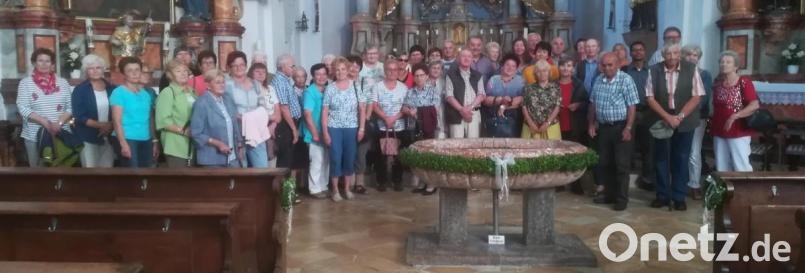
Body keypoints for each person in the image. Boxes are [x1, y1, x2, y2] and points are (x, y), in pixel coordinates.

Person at [645, 43, 704, 211]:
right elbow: (650, 97)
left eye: (675, 53)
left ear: (680, 54)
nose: (671, 57)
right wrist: (667, 117)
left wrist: (679, 117)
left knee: (682, 158)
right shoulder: (654, 69)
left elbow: (697, 96)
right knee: (661, 158)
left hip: (685, 119)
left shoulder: (691, 69)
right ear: (664, 55)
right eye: (668, 54)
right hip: (662, 117)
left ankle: (679, 196)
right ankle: (662, 195)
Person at [588, 53, 639, 211]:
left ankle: (621, 199)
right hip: (603, 127)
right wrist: (591, 123)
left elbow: (632, 106)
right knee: (605, 163)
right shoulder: (598, 80)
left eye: (610, 65)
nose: (607, 68)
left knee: (621, 165)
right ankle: (609, 195)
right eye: (604, 65)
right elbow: (593, 103)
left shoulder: (626, 80)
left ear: (617, 65)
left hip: (621, 126)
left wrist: (628, 128)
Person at [17, 48, 74, 167]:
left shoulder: (63, 82)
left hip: (61, 132)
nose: (44, 64)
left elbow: (70, 107)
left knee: (62, 167)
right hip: (34, 134)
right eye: (40, 61)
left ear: (52, 64)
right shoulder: (25, 83)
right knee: (38, 170)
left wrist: (58, 123)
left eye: (47, 61)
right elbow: (22, 107)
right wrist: (45, 122)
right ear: (34, 63)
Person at [322, 57, 366, 201]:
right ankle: (335, 190)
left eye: (343, 69)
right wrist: (325, 132)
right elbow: (324, 112)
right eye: (337, 69)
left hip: (351, 127)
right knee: (335, 157)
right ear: (334, 71)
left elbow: (362, 108)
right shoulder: (330, 88)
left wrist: (362, 129)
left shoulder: (355, 86)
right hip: (334, 128)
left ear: (347, 70)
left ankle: (346, 188)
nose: (340, 72)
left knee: (349, 157)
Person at [711, 51, 759, 172]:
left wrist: (734, 116)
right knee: (721, 165)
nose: (724, 64)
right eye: (722, 62)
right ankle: (726, 190)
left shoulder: (744, 82)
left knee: (741, 165)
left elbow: (754, 105)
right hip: (719, 128)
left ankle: (745, 190)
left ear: (736, 66)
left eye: (728, 62)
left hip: (738, 129)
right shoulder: (718, 84)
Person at [110, 57, 159, 168]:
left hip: (145, 138)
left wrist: (154, 140)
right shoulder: (118, 93)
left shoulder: (145, 94)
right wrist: (123, 144)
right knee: (132, 175)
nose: (134, 73)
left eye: (137, 70)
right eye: (130, 70)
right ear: (123, 74)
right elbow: (117, 121)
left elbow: (150, 119)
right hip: (127, 138)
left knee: (146, 172)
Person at [223, 51, 270, 168]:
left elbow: (263, 106)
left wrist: (256, 118)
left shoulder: (255, 83)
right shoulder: (226, 85)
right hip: (237, 133)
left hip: (256, 132)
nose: (239, 68)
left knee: (262, 168)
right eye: (235, 65)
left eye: (242, 64)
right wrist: (243, 118)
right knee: (242, 171)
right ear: (229, 67)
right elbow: (227, 109)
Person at [191, 69, 243, 168]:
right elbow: (195, 133)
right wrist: (217, 143)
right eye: (217, 82)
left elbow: (235, 123)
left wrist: (240, 145)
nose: (222, 85)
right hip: (211, 160)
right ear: (208, 85)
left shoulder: (227, 99)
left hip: (233, 158)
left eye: (223, 82)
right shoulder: (201, 103)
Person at [371, 60, 410, 192]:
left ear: (398, 71)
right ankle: (381, 181)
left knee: (398, 155)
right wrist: (385, 118)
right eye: (389, 69)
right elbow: (374, 105)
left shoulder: (403, 88)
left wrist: (393, 118)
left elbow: (406, 107)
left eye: (395, 69)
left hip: (399, 126)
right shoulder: (377, 86)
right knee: (380, 155)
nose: (392, 72)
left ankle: (397, 180)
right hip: (382, 126)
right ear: (385, 71)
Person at [622, 41, 654, 191]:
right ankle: (625, 177)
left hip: (648, 112)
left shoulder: (652, 71)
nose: (638, 52)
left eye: (640, 50)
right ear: (631, 53)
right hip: (629, 112)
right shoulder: (625, 71)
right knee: (628, 146)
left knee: (648, 147)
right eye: (634, 50)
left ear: (645, 52)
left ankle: (647, 178)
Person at [682, 44, 714, 200]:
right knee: (681, 151)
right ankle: (681, 183)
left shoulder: (704, 74)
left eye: (695, 55)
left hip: (697, 117)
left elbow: (704, 97)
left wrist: (686, 111)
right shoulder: (678, 73)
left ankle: (694, 184)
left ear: (699, 58)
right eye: (688, 54)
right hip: (680, 117)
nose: (691, 57)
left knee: (694, 152)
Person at [72, 54, 115, 168]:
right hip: (88, 137)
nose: (95, 71)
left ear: (103, 69)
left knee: (107, 171)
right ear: (86, 71)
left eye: (98, 67)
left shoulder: (112, 88)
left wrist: (110, 125)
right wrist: (101, 125)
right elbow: (79, 116)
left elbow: (119, 111)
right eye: (91, 68)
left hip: (109, 136)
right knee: (90, 173)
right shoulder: (80, 90)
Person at [405, 64, 441, 195]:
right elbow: (405, 107)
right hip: (414, 126)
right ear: (413, 78)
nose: (419, 78)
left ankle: (431, 184)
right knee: (418, 154)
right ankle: (421, 182)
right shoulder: (410, 92)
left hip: (428, 127)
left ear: (426, 76)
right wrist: (410, 111)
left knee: (429, 155)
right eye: (416, 76)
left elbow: (435, 109)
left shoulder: (433, 91)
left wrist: (419, 112)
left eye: (422, 75)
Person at [155, 60, 197, 167]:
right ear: (170, 75)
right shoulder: (168, 92)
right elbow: (163, 121)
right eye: (178, 71)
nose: (183, 73)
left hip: (193, 144)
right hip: (175, 144)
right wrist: (183, 132)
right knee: (180, 181)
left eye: (185, 71)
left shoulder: (192, 92)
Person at [273, 54, 305, 179]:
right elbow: (283, 107)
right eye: (292, 66)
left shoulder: (285, 80)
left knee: (290, 160)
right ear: (282, 66)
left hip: (291, 123)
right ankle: (283, 194)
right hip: (286, 125)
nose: (294, 68)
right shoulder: (280, 82)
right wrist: (293, 129)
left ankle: (288, 192)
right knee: (285, 161)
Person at [302, 63, 330, 198]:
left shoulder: (327, 90)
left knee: (326, 160)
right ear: (313, 76)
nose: (321, 77)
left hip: (326, 131)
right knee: (317, 160)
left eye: (324, 74)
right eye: (318, 74)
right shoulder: (310, 92)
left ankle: (323, 185)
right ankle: (314, 189)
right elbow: (307, 114)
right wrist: (314, 133)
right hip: (314, 132)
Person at [445, 49, 486, 139]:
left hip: (473, 113)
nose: (466, 59)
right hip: (456, 113)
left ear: (472, 60)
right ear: (458, 58)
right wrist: (462, 110)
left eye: (469, 56)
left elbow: (481, 94)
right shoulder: (450, 74)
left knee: (473, 143)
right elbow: (449, 96)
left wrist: (470, 107)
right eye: (463, 56)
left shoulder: (478, 75)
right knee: (456, 144)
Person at [247, 62, 282, 166]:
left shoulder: (270, 89)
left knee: (271, 158)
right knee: (260, 162)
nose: (261, 74)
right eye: (257, 72)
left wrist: (273, 125)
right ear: (251, 73)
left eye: (263, 72)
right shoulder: (249, 89)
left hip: (272, 127)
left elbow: (277, 111)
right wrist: (269, 118)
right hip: (257, 129)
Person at [482, 54, 524, 138]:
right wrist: (500, 99)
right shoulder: (493, 79)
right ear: (502, 66)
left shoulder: (521, 81)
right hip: (493, 118)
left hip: (514, 119)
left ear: (516, 69)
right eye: (507, 64)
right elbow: (485, 99)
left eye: (513, 66)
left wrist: (504, 106)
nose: (510, 68)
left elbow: (522, 99)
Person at [348, 55, 372, 194]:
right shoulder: (342, 82)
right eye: (351, 65)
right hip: (347, 123)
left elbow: (369, 101)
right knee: (349, 153)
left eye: (357, 66)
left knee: (361, 154)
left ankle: (360, 183)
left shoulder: (364, 82)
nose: (354, 68)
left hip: (362, 122)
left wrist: (366, 118)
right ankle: (348, 183)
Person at [522, 60, 562, 140]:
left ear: (549, 72)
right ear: (535, 73)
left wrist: (548, 123)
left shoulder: (556, 88)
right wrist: (530, 122)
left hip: (551, 126)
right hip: (531, 127)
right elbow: (524, 106)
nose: (542, 74)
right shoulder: (528, 88)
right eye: (538, 71)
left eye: (544, 71)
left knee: (552, 152)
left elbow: (557, 107)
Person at [557, 58, 588, 144]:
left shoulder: (579, 84)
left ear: (573, 69)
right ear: (558, 68)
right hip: (555, 126)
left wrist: (578, 105)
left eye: (569, 66)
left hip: (574, 127)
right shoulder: (552, 85)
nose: (565, 68)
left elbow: (587, 103)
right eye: (563, 65)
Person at [427, 61, 448, 139]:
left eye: (438, 68)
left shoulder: (445, 82)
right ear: (429, 69)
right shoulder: (424, 81)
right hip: (427, 112)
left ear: (441, 71)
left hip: (442, 112)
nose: (436, 70)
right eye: (434, 68)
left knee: (441, 136)